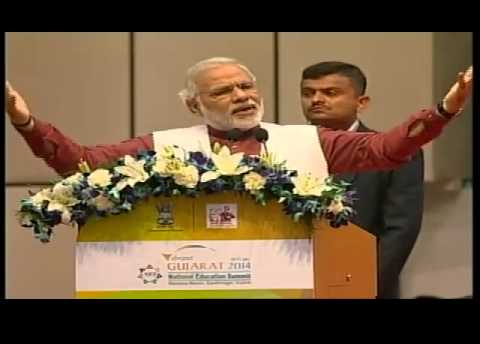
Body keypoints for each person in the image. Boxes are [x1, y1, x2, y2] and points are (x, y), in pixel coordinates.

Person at [5, 57, 473, 190]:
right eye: (224, 91)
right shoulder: (165, 144)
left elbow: (387, 149)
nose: (242, 96)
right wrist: (25, 121)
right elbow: (82, 165)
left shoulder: (307, 140)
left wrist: (443, 110)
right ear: (194, 106)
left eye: (246, 86)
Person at [300, 61, 424, 298]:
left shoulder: (393, 152)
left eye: (330, 93)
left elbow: (400, 229)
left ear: (361, 102)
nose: (316, 99)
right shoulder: (282, 147)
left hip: (363, 285)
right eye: (308, 93)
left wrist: (364, 285)